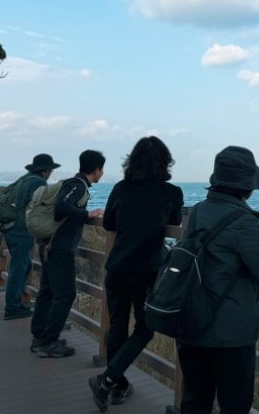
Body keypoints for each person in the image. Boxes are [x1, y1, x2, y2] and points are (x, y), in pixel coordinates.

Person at [175, 146, 259, 414]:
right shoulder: (244, 221)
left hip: (192, 321)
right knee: (235, 404)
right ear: (247, 187)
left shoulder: (196, 212)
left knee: (194, 400)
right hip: (230, 332)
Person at [89, 137, 183, 411]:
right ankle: (108, 379)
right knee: (145, 328)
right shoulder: (171, 193)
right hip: (147, 271)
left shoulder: (120, 188)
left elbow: (108, 223)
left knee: (118, 325)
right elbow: (175, 222)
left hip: (117, 267)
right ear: (165, 163)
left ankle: (116, 386)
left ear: (132, 161)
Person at [30, 149, 105, 358]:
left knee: (48, 291)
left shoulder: (73, 183)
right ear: (97, 169)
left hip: (50, 244)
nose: (102, 174)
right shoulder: (78, 186)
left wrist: (83, 216)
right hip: (59, 248)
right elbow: (62, 206)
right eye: (102, 170)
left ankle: (39, 337)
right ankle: (48, 342)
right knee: (65, 294)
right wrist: (87, 214)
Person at [3, 154, 61, 320]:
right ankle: (12, 307)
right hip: (22, 231)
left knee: (24, 266)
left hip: (12, 228)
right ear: (46, 171)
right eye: (50, 170)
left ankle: (17, 302)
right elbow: (41, 207)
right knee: (19, 268)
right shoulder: (38, 183)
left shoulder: (25, 180)